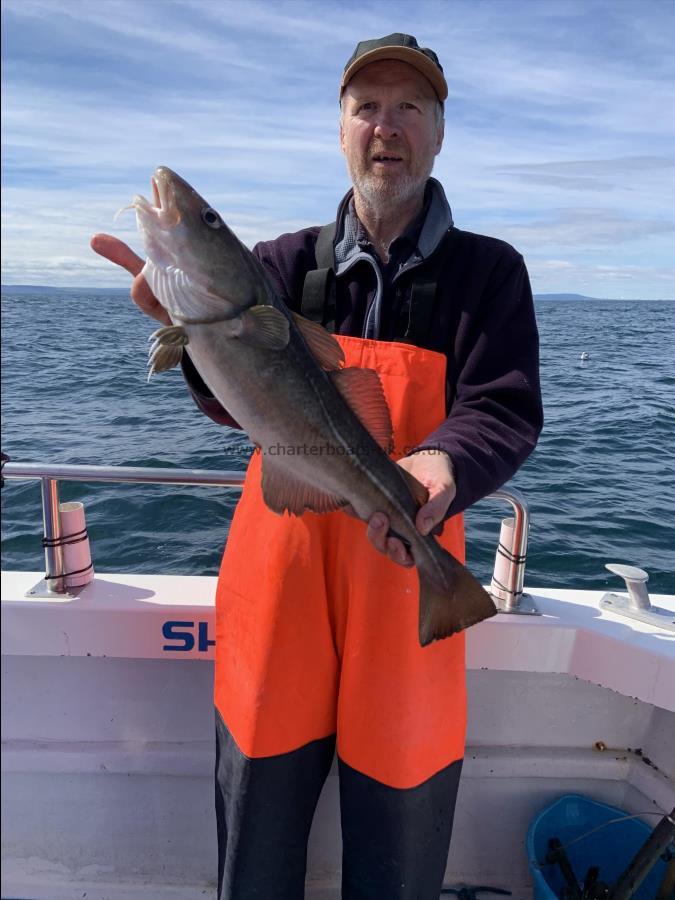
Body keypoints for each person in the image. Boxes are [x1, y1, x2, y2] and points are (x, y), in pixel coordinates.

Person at [92, 33, 543, 900]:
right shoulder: (277, 266)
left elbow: (504, 407)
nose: (387, 126)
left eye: (409, 107)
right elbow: (235, 405)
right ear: (339, 129)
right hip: (281, 581)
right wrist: (192, 338)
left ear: (439, 132)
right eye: (366, 106)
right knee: (255, 838)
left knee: (397, 840)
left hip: (406, 553)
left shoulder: (489, 272)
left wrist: (444, 464)